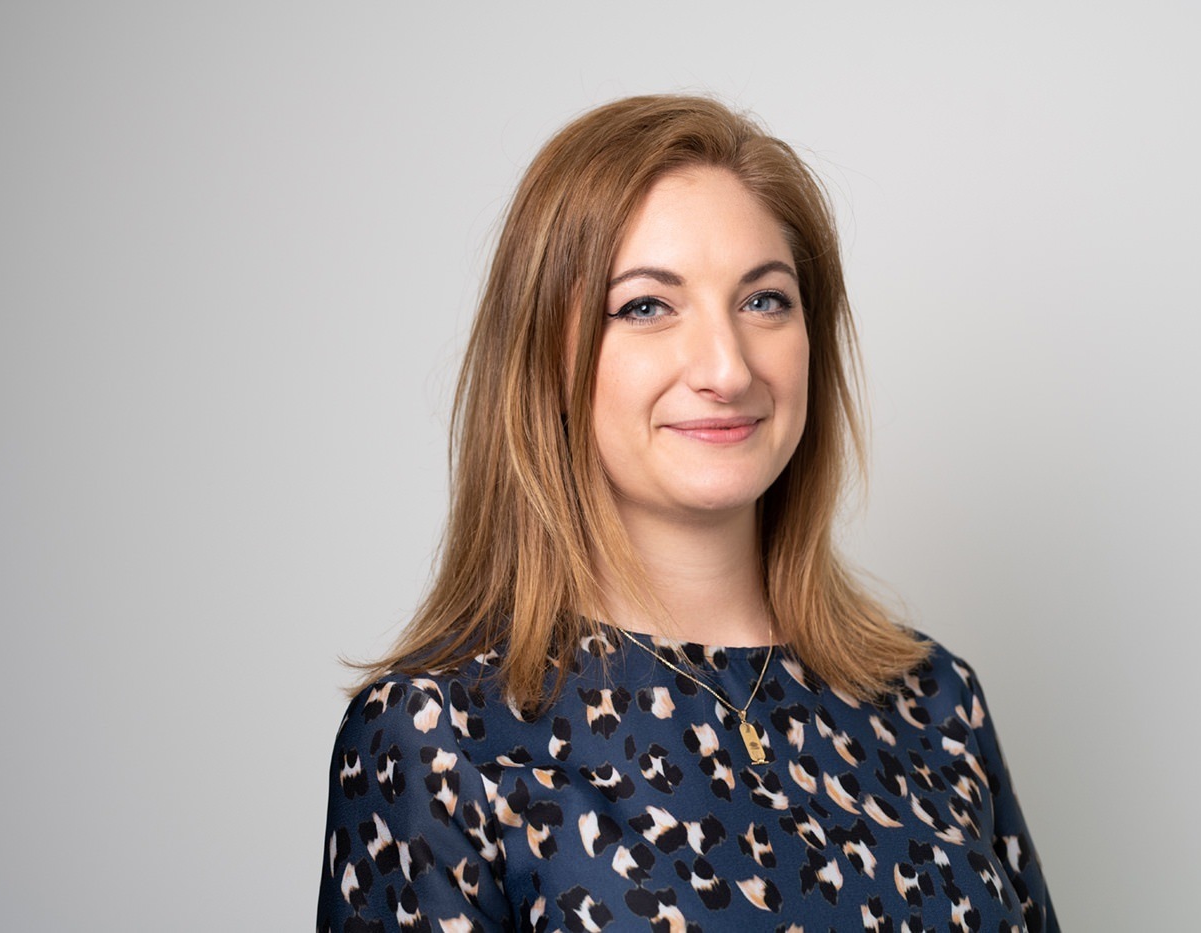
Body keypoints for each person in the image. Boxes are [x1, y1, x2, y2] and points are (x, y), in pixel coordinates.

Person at [317, 94, 1058, 932]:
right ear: (543, 358)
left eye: (765, 300)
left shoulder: (935, 701)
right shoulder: (440, 737)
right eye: (645, 306)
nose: (726, 367)